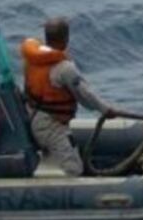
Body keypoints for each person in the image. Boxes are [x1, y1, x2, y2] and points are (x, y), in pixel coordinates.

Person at [21, 17, 122, 176]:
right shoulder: (64, 68)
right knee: (74, 168)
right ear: (66, 38)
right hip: (50, 126)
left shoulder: (31, 60)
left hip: (32, 116)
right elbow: (85, 96)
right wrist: (106, 110)